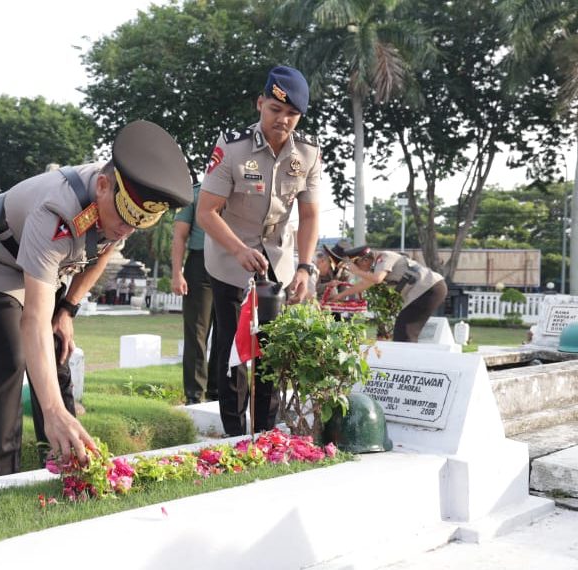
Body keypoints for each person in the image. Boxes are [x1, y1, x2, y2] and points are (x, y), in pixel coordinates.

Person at [0, 120, 192, 478]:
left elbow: (102, 251)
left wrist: (67, 309)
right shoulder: (57, 212)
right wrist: (51, 409)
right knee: (11, 352)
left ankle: (67, 459)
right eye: (125, 220)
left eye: (136, 225)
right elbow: (32, 317)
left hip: (45, 263)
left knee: (56, 345)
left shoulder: (120, 204)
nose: (125, 232)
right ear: (101, 186)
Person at [197, 65, 321, 436]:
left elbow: (310, 214)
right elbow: (206, 212)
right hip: (230, 255)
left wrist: (306, 267)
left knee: (272, 346)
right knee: (233, 348)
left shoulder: (309, 153)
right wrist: (237, 250)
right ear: (260, 104)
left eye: (291, 114)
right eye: (275, 110)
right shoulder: (232, 147)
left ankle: (266, 432)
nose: (282, 121)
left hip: (277, 262)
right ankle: (236, 433)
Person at [331, 246, 448, 342]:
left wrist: (357, 271)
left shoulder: (384, 256)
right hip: (427, 290)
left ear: (365, 260)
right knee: (404, 329)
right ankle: (407, 361)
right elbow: (363, 284)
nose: (360, 271)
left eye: (358, 266)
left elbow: (377, 279)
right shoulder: (376, 266)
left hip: (430, 288)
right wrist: (339, 296)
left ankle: (406, 363)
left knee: (405, 330)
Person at [171, 183, 219, 404]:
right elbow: (180, 235)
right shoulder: (194, 193)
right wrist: (176, 273)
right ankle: (194, 395)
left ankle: (218, 391)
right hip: (200, 262)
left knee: (227, 332)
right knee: (197, 332)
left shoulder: (239, 191)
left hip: (232, 262)